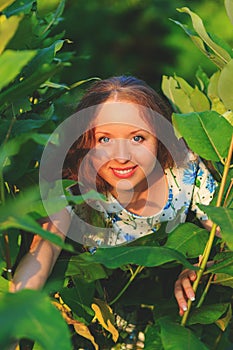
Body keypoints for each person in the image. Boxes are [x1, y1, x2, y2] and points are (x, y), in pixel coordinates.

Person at [10, 76, 219, 320]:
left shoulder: (184, 167)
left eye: (137, 138)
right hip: (99, 319)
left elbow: (221, 233)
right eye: (105, 139)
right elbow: (41, 254)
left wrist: (197, 268)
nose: (121, 156)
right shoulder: (72, 188)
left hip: (165, 314)